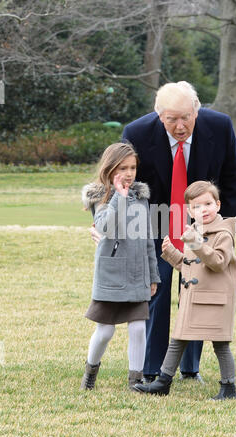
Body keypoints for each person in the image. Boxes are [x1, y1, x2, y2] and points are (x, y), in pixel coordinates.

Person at [91, 81, 236, 383]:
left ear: (197, 110)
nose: (180, 125)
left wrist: (223, 227)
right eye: (172, 118)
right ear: (158, 115)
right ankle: (151, 371)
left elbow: (233, 177)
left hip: (202, 224)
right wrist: (101, 221)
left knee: (198, 291)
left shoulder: (221, 126)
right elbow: (118, 179)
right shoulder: (136, 132)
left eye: (186, 116)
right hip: (153, 223)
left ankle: (190, 369)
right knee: (156, 292)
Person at [134, 181, 236, 399]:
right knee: (178, 339)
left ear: (218, 205)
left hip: (214, 300)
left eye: (208, 204)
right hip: (194, 298)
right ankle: (163, 382)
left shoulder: (223, 234)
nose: (204, 210)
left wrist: (196, 242)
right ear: (190, 211)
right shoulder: (195, 231)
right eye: (197, 207)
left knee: (220, 344)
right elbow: (192, 268)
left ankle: (228, 387)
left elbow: (218, 262)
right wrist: (172, 254)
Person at [80, 142, 160, 391]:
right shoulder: (99, 196)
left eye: (133, 167)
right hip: (112, 274)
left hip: (138, 274)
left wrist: (153, 275)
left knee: (137, 328)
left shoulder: (141, 197)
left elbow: (148, 239)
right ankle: (90, 374)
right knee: (105, 332)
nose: (128, 173)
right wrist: (119, 198)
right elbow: (104, 227)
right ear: (110, 167)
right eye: (123, 167)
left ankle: (135, 381)